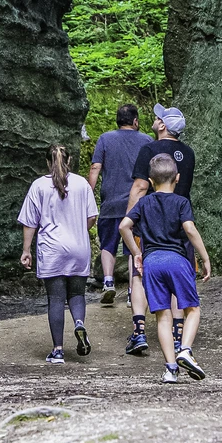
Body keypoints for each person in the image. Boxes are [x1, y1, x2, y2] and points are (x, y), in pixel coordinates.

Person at [121, 153, 211, 383]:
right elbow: (189, 229)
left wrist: (137, 253)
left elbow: (124, 226)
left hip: (152, 263)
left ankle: (171, 370)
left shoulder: (144, 202)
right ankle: (186, 350)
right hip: (177, 261)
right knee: (192, 309)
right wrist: (205, 258)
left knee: (163, 317)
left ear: (150, 181)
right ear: (177, 178)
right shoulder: (181, 202)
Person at [122, 103, 195, 355]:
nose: (153, 120)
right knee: (178, 273)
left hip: (150, 220)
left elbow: (140, 187)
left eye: (156, 118)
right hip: (180, 220)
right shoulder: (189, 153)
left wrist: (131, 219)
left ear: (162, 125)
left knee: (139, 270)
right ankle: (177, 335)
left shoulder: (150, 149)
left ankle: (139, 332)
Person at [18, 144, 99, 365]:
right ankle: (79, 323)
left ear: (47, 162)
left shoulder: (39, 186)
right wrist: (78, 228)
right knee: (77, 294)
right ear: (70, 161)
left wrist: (26, 250)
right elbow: (92, 217)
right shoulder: (82, 184)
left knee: (55, 298)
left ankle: (58, 351)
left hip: (52, 249)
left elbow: (29, 222)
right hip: (79, 247)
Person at [87, 104, 152, 308]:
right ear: (135, 121)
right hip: (137, 205)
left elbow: (96, 167)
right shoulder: (147, 141)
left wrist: (88, 197)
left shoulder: (105, 139)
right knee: (133, 247)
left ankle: (108, 282)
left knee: (108, 244)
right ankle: (134, 291)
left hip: (111, 203)